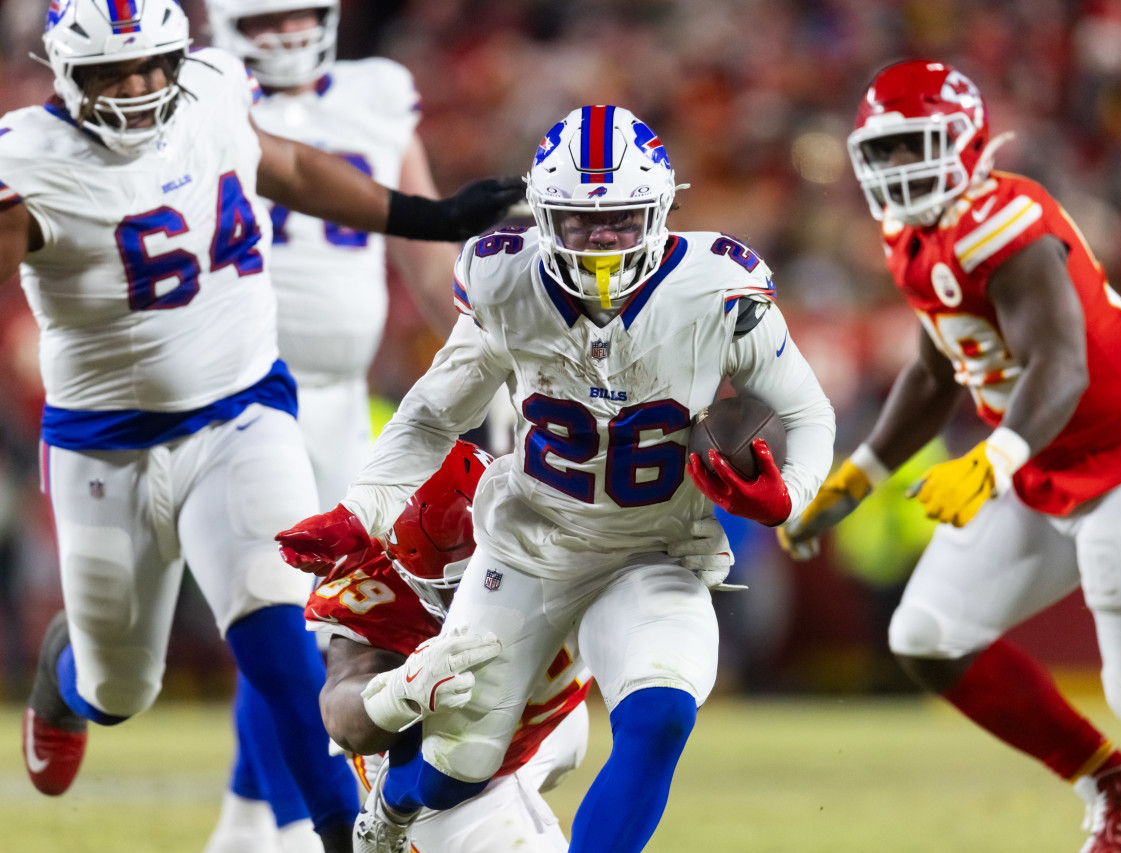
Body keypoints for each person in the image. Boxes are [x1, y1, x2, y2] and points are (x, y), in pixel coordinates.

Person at [5, 2, 521, 852]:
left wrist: (425, 217)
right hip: (104, 445)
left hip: (242, 411)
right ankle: (69, 681)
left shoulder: (210, 91)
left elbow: (284, 166)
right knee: (120, 686)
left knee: (282, 629)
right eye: (109, 74)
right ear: (65, 74)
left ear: (180, 55)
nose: (135, 90)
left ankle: (339, 837)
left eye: (149, 67)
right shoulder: (27, 160)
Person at [275, 104, 835, 853]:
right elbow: (433, 414)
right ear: (543, 217)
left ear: (661, 211)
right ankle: (392, 811)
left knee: (662, 713)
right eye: (578, 224)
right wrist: (363, 509)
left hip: (656, 548)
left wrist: (789, 494)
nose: (601, 243)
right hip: (531, 544)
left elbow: (809, 412)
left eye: (620, 222)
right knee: (461, 762)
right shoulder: (507, 281)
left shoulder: (716, 289)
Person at [777, 59, 1121, 853]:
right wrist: (857, 476)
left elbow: (1062, 366)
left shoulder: (1010, 218)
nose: (899, 169)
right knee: (929, 632)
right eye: (886, 152)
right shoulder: (912, 234)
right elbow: (938, 368)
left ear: (966, 141)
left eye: (916, 147)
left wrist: (994, 459)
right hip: (1040, 457)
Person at [198, 3, 465, 848]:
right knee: (275, 610)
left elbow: (423, 247)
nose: (283, 35)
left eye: (298, 15)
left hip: (349, 400)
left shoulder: (378, 92)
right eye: (264, 18)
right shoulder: (199, 92)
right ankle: (287, 820)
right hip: (240, 393)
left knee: (332, 615)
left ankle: (250, 820)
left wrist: (478, 356)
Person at [308, 439, 593, 852]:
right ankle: (391, 811)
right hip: (431, 767)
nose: (484, 588)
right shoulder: (377, 583)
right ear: (404, 567)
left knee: (573, 725)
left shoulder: (541, 510)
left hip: (541, 724)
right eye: (460, 583)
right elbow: (339, 710)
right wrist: (399, 690)